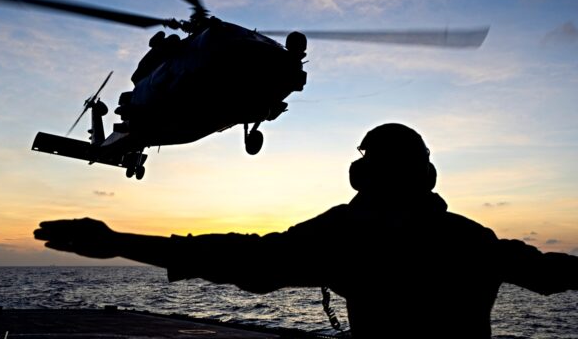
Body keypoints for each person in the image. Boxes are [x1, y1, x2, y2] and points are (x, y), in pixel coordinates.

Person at [34, 123, 578, 338]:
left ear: (361, 176)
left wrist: (117, 242)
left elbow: (241, 258)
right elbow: (553, 275)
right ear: (428, 176)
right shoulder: (472, 239)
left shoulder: (345, 235)